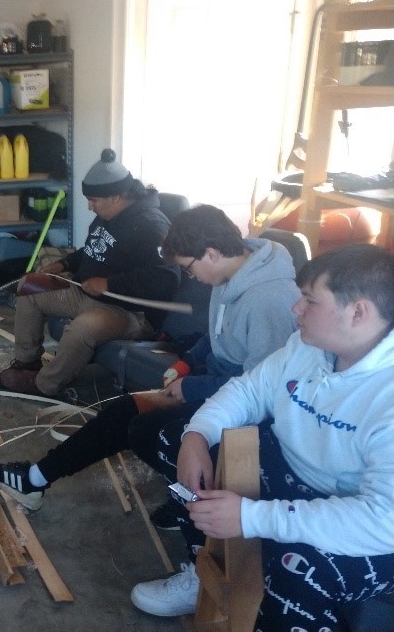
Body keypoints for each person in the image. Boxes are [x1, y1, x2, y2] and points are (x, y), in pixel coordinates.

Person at [131, 244, 394, 629]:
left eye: (308, 300)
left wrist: (252, 517)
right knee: (176, 441)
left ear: (358, 312)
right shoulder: (307, 346)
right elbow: (248, 391)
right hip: (292, 473)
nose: (295, 309)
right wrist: (196, 436)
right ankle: (204, 565)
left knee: (297, 573)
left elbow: (382, 520)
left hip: (361, 520)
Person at [0, 205, 301, 511]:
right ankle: (33, 481)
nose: (190, 277)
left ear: (212, 253)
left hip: (242, 407)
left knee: (144, 432)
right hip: (216, 383)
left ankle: (188, 502)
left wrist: (192, 388)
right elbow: (217, 337)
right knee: (121, 412)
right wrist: (187, 361)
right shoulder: (228, 274)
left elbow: (259, 390)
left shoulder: (268, 302)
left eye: (189, 267)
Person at [0, 148, 179, 398]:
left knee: (83, 328)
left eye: (94, 200)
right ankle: (27, 362)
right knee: (30, 286)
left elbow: (166, 279)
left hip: (129, 312)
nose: (90, 206)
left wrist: (109, 284)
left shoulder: (152, 225)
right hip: (87, 294)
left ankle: (44, 384)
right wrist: (64, 265)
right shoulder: (109, 216)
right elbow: (92, 250)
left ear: (116, 196)